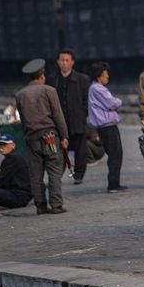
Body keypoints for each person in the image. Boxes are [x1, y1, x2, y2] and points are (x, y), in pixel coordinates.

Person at [15, 58, 69, 215]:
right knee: (54, 171)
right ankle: (56, 205)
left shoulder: (20, 95)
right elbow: (58, 116)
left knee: (36, 174)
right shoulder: (49, 90)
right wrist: (64, 135)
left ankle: (40, 205)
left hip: (32, 139)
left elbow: (23, 120)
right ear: (42, 75)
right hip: (50, 137)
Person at [47, 48, 90, 185]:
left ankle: (79, 175)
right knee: (58, 150)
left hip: (77, 119)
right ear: (57, 62)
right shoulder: (52, 80)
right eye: (61, 60)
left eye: (67, 60)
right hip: (59, 121)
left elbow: (87, 100)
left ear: (72, 62)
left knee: (80, 150)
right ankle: (56, 175)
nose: (64, 63)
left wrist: (83, 114)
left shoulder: (82, 79)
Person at [88, 62, 126, 193]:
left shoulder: (96, 88)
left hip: (107, 126)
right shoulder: (98, 88)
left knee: (116, 154)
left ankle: (115, 183)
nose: (108, 76)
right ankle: (113, 184)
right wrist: (119, 101)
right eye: (105, 74)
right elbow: (112, 103)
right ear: (99, 76)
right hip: (107, 126)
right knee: (116, 154)